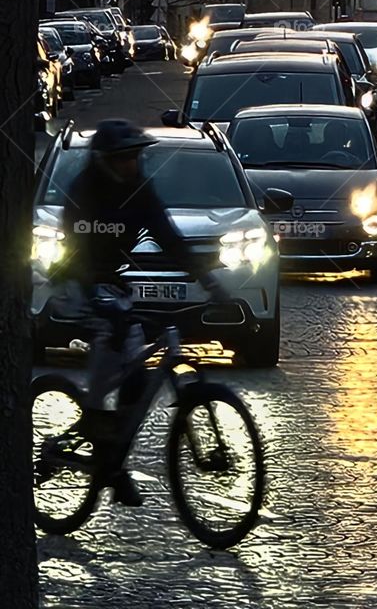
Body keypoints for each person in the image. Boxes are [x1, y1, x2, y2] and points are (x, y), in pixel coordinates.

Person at [51, 119, 227, 506]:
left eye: (135, 157)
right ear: (103, 161)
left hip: (112, 282)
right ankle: (98, 435)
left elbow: (169, 238)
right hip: (77, 281)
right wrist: (98, 296)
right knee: (107, 342)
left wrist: (209, 281)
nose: (131, 164)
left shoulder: (140, 191)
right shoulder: (83, 191)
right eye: (123, 158)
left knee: (135, 364)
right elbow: (76, 251)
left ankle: (115, 456)